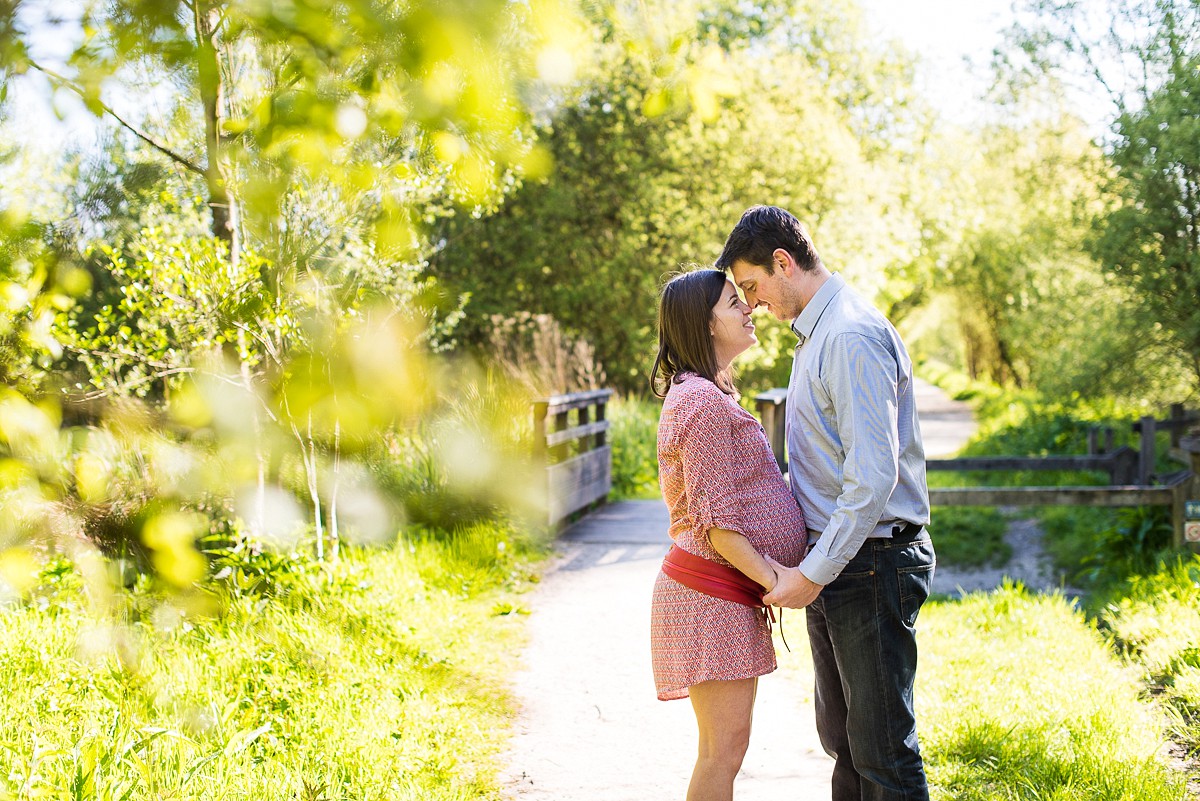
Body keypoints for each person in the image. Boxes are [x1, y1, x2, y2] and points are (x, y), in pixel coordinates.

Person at [715, 206, 936, 801]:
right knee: (845, 744)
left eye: (754, 286)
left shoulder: (848, 335)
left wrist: (811, 574)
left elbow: (872, 478)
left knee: (883, 752)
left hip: (871, 561)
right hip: (842, 563)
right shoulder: (817, 335)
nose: (753, 303)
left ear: (783, 263)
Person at [649, 268, 808, 801]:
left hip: (717, 596)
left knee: (725, 748)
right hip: (710, 596)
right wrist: (779, 579)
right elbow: (719, 526)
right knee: (723, 751)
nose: (748, 308)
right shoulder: (703, 406)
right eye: (732, 302)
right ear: (705, 323)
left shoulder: (706, 394)